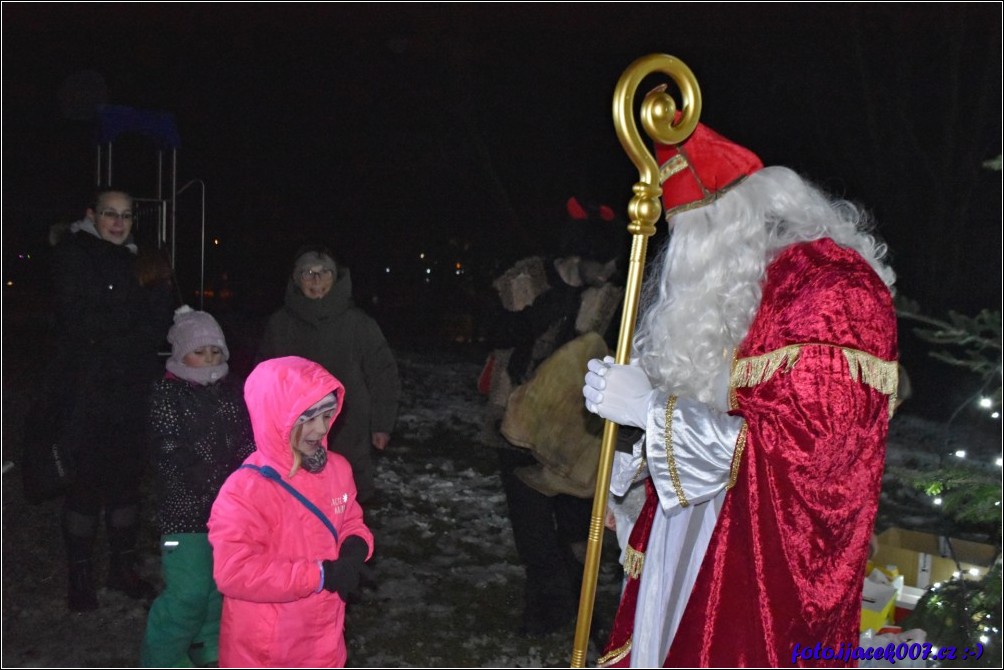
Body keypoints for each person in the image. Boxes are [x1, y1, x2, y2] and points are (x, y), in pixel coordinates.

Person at [582, 122, 898, 666]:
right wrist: (637, 489)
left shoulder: (832, 293)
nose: (679, 264)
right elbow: (721, 420)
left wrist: (646, 409)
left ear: (726, 226)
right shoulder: (749, 287)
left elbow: (800, 467)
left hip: (762, 587)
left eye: (688, 236)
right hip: (701, 551)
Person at [483, 197, 624, 636]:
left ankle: (573, 609)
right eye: (603, 265)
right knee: (532, 526)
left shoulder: (608, 296)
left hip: (572, 426)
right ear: (579, 258)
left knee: (575, 523)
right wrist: (543, 313)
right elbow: (497, 334)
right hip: (516, 421)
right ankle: (549, 605)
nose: (610, 274)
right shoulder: (525, 279)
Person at [47, 187, 174, 611]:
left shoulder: (146, 259)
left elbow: (158, 319)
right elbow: (79, 319)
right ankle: (79, 576)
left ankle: (123, 569)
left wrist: (125, 321)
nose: (118, 223)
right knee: (84, 484)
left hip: (132, 390)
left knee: (126, 484)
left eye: (125, 215)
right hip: (87, 391)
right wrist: (126, 318)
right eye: (109, 214)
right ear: (92, 215)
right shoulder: (75, 254)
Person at [208, 356, 373, 668]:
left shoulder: (337, 470)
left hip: (324, 637)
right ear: (276, 417)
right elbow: (234, 571)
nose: (321, 428)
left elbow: (350, 518)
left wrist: (355, 546)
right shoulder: (246, 490)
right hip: (267, 649)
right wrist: (319, 574)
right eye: (307, 418)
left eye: (327, 414)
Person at [140, 306, 255, 667]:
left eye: (215, 351)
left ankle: (208, 653)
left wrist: (250, 473)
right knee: (188, 593)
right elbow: (167, 445)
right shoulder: (167, 393)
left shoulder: (232, 390)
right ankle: (163, 657)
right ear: (180, 353)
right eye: (199, 351)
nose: (208, 359)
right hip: (184, 515)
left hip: (228, 515)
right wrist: (207, 475)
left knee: (218, 590)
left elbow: (246, 438)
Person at [257, 245, 400, 504]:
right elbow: (263, 380)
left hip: (349, 425)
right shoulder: (280, 324)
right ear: (296, 279)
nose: (316, 280)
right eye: (308, 273)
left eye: (324, 273)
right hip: (294, 427)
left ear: (336, 278)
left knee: (348, 496)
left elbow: (383, 374)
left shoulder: (359, 324)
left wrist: (382, 424)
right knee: (297, 498)